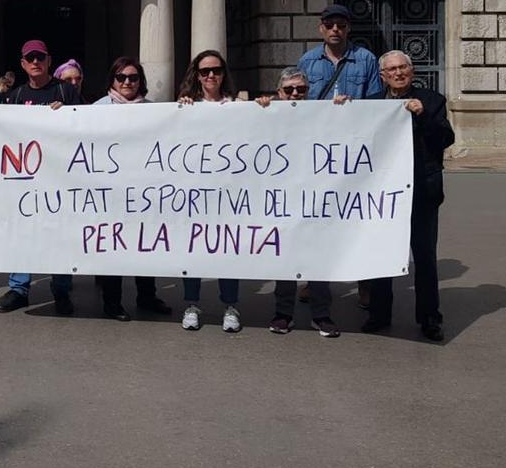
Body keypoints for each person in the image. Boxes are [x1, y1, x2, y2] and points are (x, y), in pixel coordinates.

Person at [361, 51, 455, 341]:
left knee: (424, 256)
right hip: (383, 191)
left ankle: (429, 318)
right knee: (381, 253)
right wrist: (343, 109)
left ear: (411, 71)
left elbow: (445, 138)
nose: (398, 73)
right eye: (392, 69)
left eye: (403, 68)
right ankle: (378, 314)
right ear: (382, 76)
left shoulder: (431, 100)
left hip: (422, 191)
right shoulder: (372, 104)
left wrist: (422, 114)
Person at [298, 3, 382, 308]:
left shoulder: (366, 59)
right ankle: (312, 278)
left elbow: (375, 103)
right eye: (330, 24)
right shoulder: (308, 61)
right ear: (321, 27)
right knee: (316, 216)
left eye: (342, 25)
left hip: (354, 150)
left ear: (348, 29)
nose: (336, 30)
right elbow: (297, 101)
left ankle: (364, 281)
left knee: (358, 218)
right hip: (318, 152)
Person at [0, 39, 83, 314]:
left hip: (61, 177)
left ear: (48, 61)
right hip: (26, 180)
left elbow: (87, 123)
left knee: (60, 233)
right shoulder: (17, 96)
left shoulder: (66, 91)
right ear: (23, 64)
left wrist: (67, 114)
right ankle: (19, 289)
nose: (35, 62)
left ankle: (61, 291)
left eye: (40, 58)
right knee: (23, 232)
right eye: (30, 58)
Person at [255, 67, 342, 338]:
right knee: (285, 258)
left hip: (315, 199)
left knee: (317, 258)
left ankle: (321, 315)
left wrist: (345, 110)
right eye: (289, 89)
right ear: (279, 93)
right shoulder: (269, 115)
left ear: (309, 92)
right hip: (281, 200)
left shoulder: (323, 113)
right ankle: (283, 314)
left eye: (301, 90)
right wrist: (259, 108)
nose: (295, 94)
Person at [91, 56, 172, 320]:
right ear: (113, 80)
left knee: (145, 245)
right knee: (113, 245)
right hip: (110, 193)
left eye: (133, 78)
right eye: (121, 77)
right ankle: (112, 303)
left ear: (141, 82)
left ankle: (146, 296)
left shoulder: (153, 109)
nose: (127, 82)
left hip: (143, 194)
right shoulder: (96, 109)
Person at [175, 50, 242, 333]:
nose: (211, 76)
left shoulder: (237, 105)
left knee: (228, 249)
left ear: (224, 73)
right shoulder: (187, 106)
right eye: (205, 72)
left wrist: (260, 107)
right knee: (193, 248)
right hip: (195, 192)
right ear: (197, 75)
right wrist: (179, 111)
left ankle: (230, 306)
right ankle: (191, 304)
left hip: (228, 192)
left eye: (216, 70)